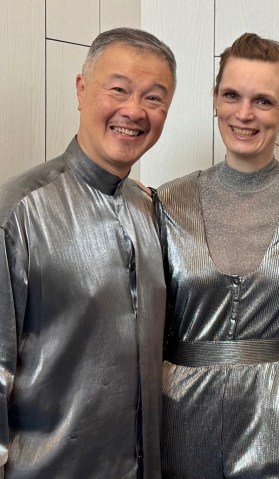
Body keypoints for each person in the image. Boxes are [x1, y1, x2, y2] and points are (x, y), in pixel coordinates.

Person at [156, 32, 279, 479]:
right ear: (214, 100)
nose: (244, 113)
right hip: (181, 414)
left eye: (263, 101)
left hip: (277, 415)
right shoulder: (167, 200)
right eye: (232, 95)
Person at [0, 27, 176, 478]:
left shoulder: (149, 209)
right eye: (118, 89)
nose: (133, 110)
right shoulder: (18, 212)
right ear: (81, 89)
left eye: (154, 98)